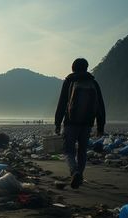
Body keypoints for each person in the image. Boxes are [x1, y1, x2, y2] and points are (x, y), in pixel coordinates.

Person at [55, 58, 106, 189]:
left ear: (73, 67)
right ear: (86, 67)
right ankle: (80, 176)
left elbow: (62, 103)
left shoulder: (69, 81)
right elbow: (100, 106)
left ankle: (74, 172)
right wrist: (100, 126)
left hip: (71, 122)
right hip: (87, 123)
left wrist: (57, 123)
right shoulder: (93, 82)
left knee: (68, 151)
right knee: (82, 151)